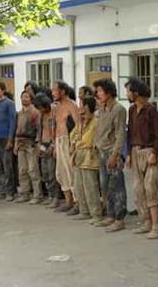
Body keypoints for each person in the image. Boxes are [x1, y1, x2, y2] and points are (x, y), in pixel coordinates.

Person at [125, 77, 158, 239]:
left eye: (128, 91)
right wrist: (127, 154)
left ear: (136, 92)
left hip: (148, 152)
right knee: (138, 189)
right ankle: (145, 220)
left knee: (150, 188)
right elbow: (129, 133)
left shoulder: (151, 109)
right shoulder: (132, 110)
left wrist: (154, 152)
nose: (127, 94)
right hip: (135, 151)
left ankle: (156, 225)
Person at [93, 79, 127, 232]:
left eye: (100, 91)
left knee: (116, 186)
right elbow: (99, 130)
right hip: (101, 152)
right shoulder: (102, 109)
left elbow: (120, 134)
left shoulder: (118, 109)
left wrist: (115, 155)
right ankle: (110, 215)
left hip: (112, 152)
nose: (98, 94)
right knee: (105, 185)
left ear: (108, 92)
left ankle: (119, 219)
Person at [71, 96, 102, 224]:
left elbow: (88, 140)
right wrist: (75, 141)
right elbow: (72, 135)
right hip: (78, 157)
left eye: (82, 105)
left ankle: (96, 214)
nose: (80, 108)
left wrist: (76, 143)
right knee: (79, 186)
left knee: (90, 187)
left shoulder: (95, 121)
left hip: (89, 157)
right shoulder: (80, 122)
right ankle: (84, 211)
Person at [52, 81, 80, 213]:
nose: (53, 93)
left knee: (71, 172)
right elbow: (55, 126)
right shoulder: (56, 107)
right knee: (61, 173)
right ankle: (68, 200)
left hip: (68, 141)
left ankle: (77, 202)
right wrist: (54, 145)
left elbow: (78, 126)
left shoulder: (72, 105)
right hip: (59, 141)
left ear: (63, 91)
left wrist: (74, 144)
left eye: (55, 90)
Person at [14, 91, 43, 204]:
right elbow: (17, 129)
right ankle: (25, 193)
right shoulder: (20, 113)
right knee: (22, 170)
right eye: (22, 97)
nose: (24, 99)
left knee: (33, 170)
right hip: (21, 143)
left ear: (31, 99)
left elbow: (39, 129)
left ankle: (37, 195)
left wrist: (37, 143)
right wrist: (16, 143)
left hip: (31, 143)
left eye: (26, 97)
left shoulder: (35, 112)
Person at [33, 93, 61, 208]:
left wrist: (54, 145)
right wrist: (38, 144)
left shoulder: (55, 111)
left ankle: (56, 197)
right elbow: (39, 130)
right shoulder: (41, 115)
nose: (39, 110)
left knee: (52, 172)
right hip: (43, 143)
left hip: (53, 143)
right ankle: (50, 195)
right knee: (44, 172)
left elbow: (60, 129)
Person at [0, 81, 17, 201]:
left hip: (5, 138)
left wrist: (10, 139)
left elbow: (12, 122)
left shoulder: (9, 104)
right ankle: (2, 189)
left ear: (3, 90)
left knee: (8, 166)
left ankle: (10, 191)